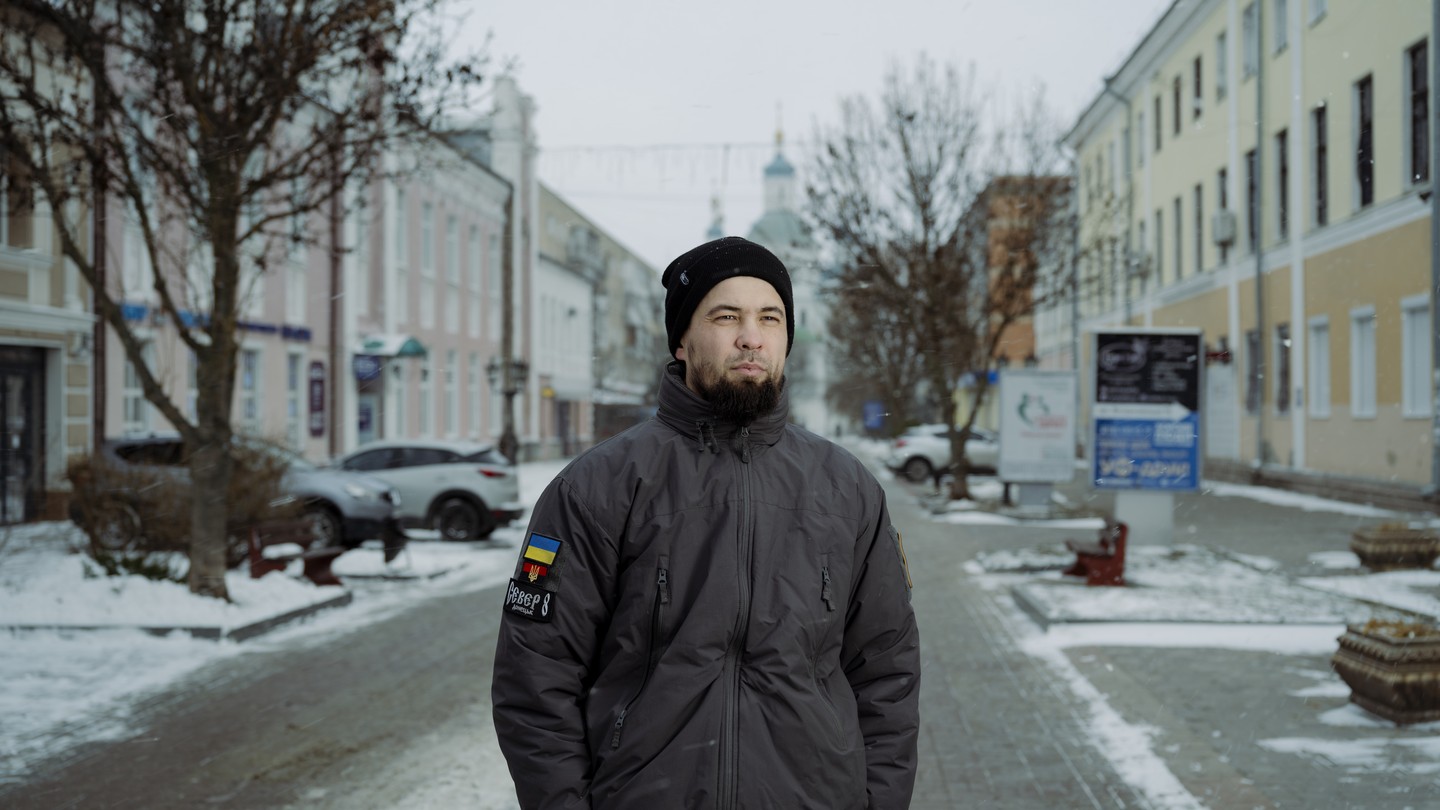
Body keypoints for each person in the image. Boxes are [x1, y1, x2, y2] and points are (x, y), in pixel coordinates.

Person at [492, 235, 921, 809]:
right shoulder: (596, 487)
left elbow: (887, 673)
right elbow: (536, 678)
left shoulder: (848, 491)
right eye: (726, 316)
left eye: (770, 318)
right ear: (682, 341)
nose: (751, 336)